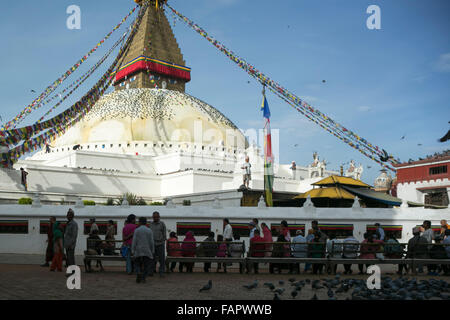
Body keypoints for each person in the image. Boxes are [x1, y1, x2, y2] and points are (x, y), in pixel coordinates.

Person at [132, 217, 155, 284]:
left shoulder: (137, 230)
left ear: (140, 222)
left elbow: (134, 241)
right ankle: (144, 277)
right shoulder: (149, 230)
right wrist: (152, 250)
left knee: (136, 263)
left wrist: (133, 250)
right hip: (147, 250)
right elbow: (151, 242)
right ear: (145, 222)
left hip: (138, 250)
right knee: (146, 265)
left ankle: (138, 272)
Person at [149, 211, 167, 277]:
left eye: (157, 217)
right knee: (152, 259)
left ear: (159, 217)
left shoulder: (162, 224)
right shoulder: (150, 224)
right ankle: (151, 271)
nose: (155, 218)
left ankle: (161, 272)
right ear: (152, 217)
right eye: (154, 217)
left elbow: (164, 234)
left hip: (160, 244)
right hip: (152, 244)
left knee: (161, 259)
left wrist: (162, 241)